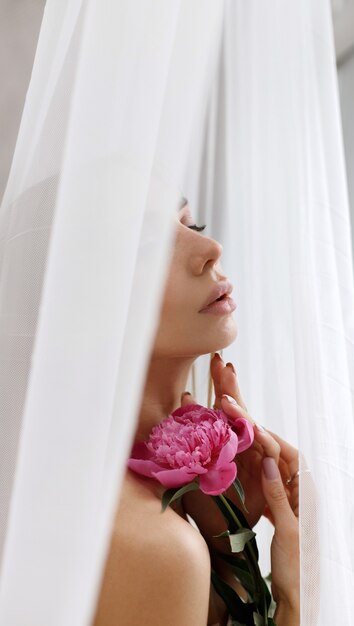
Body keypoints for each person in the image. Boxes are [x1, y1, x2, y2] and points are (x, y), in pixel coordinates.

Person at [92, 198, 301, 626]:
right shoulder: (156, 545)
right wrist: (295, 599)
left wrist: (229, 551)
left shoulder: (138, 508)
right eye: (148, 244)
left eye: (190, 222)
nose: (211, 247)